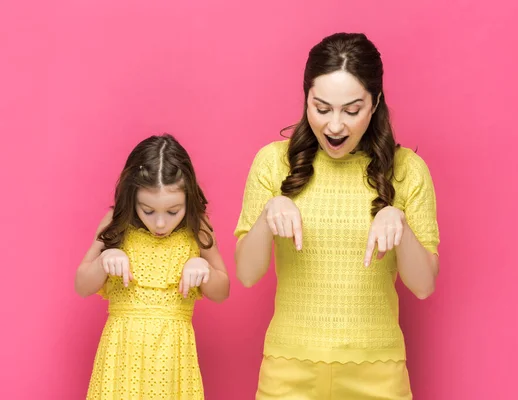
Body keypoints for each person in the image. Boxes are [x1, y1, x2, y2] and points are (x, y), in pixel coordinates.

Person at [235, 32, 440, 399]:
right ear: (306, 99)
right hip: (288, 370)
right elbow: (247, 274)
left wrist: (400, 222)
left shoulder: (409, 170)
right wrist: (269, 213)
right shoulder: (272, 163)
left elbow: (424, 286)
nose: (334, 125)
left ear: (375, 103)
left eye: (351, 110)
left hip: (378, 373)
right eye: (322, 107)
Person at [75, 133, 230, 399]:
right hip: (122, 356)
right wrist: (105, 260)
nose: (160, 224)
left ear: (188, 199)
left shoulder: (197, 228)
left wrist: (202, 270)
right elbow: (81, 285)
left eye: (173, 211)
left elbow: (222, 290)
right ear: (132, 198)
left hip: (173, 360)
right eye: (147, 210)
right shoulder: (116, 223)